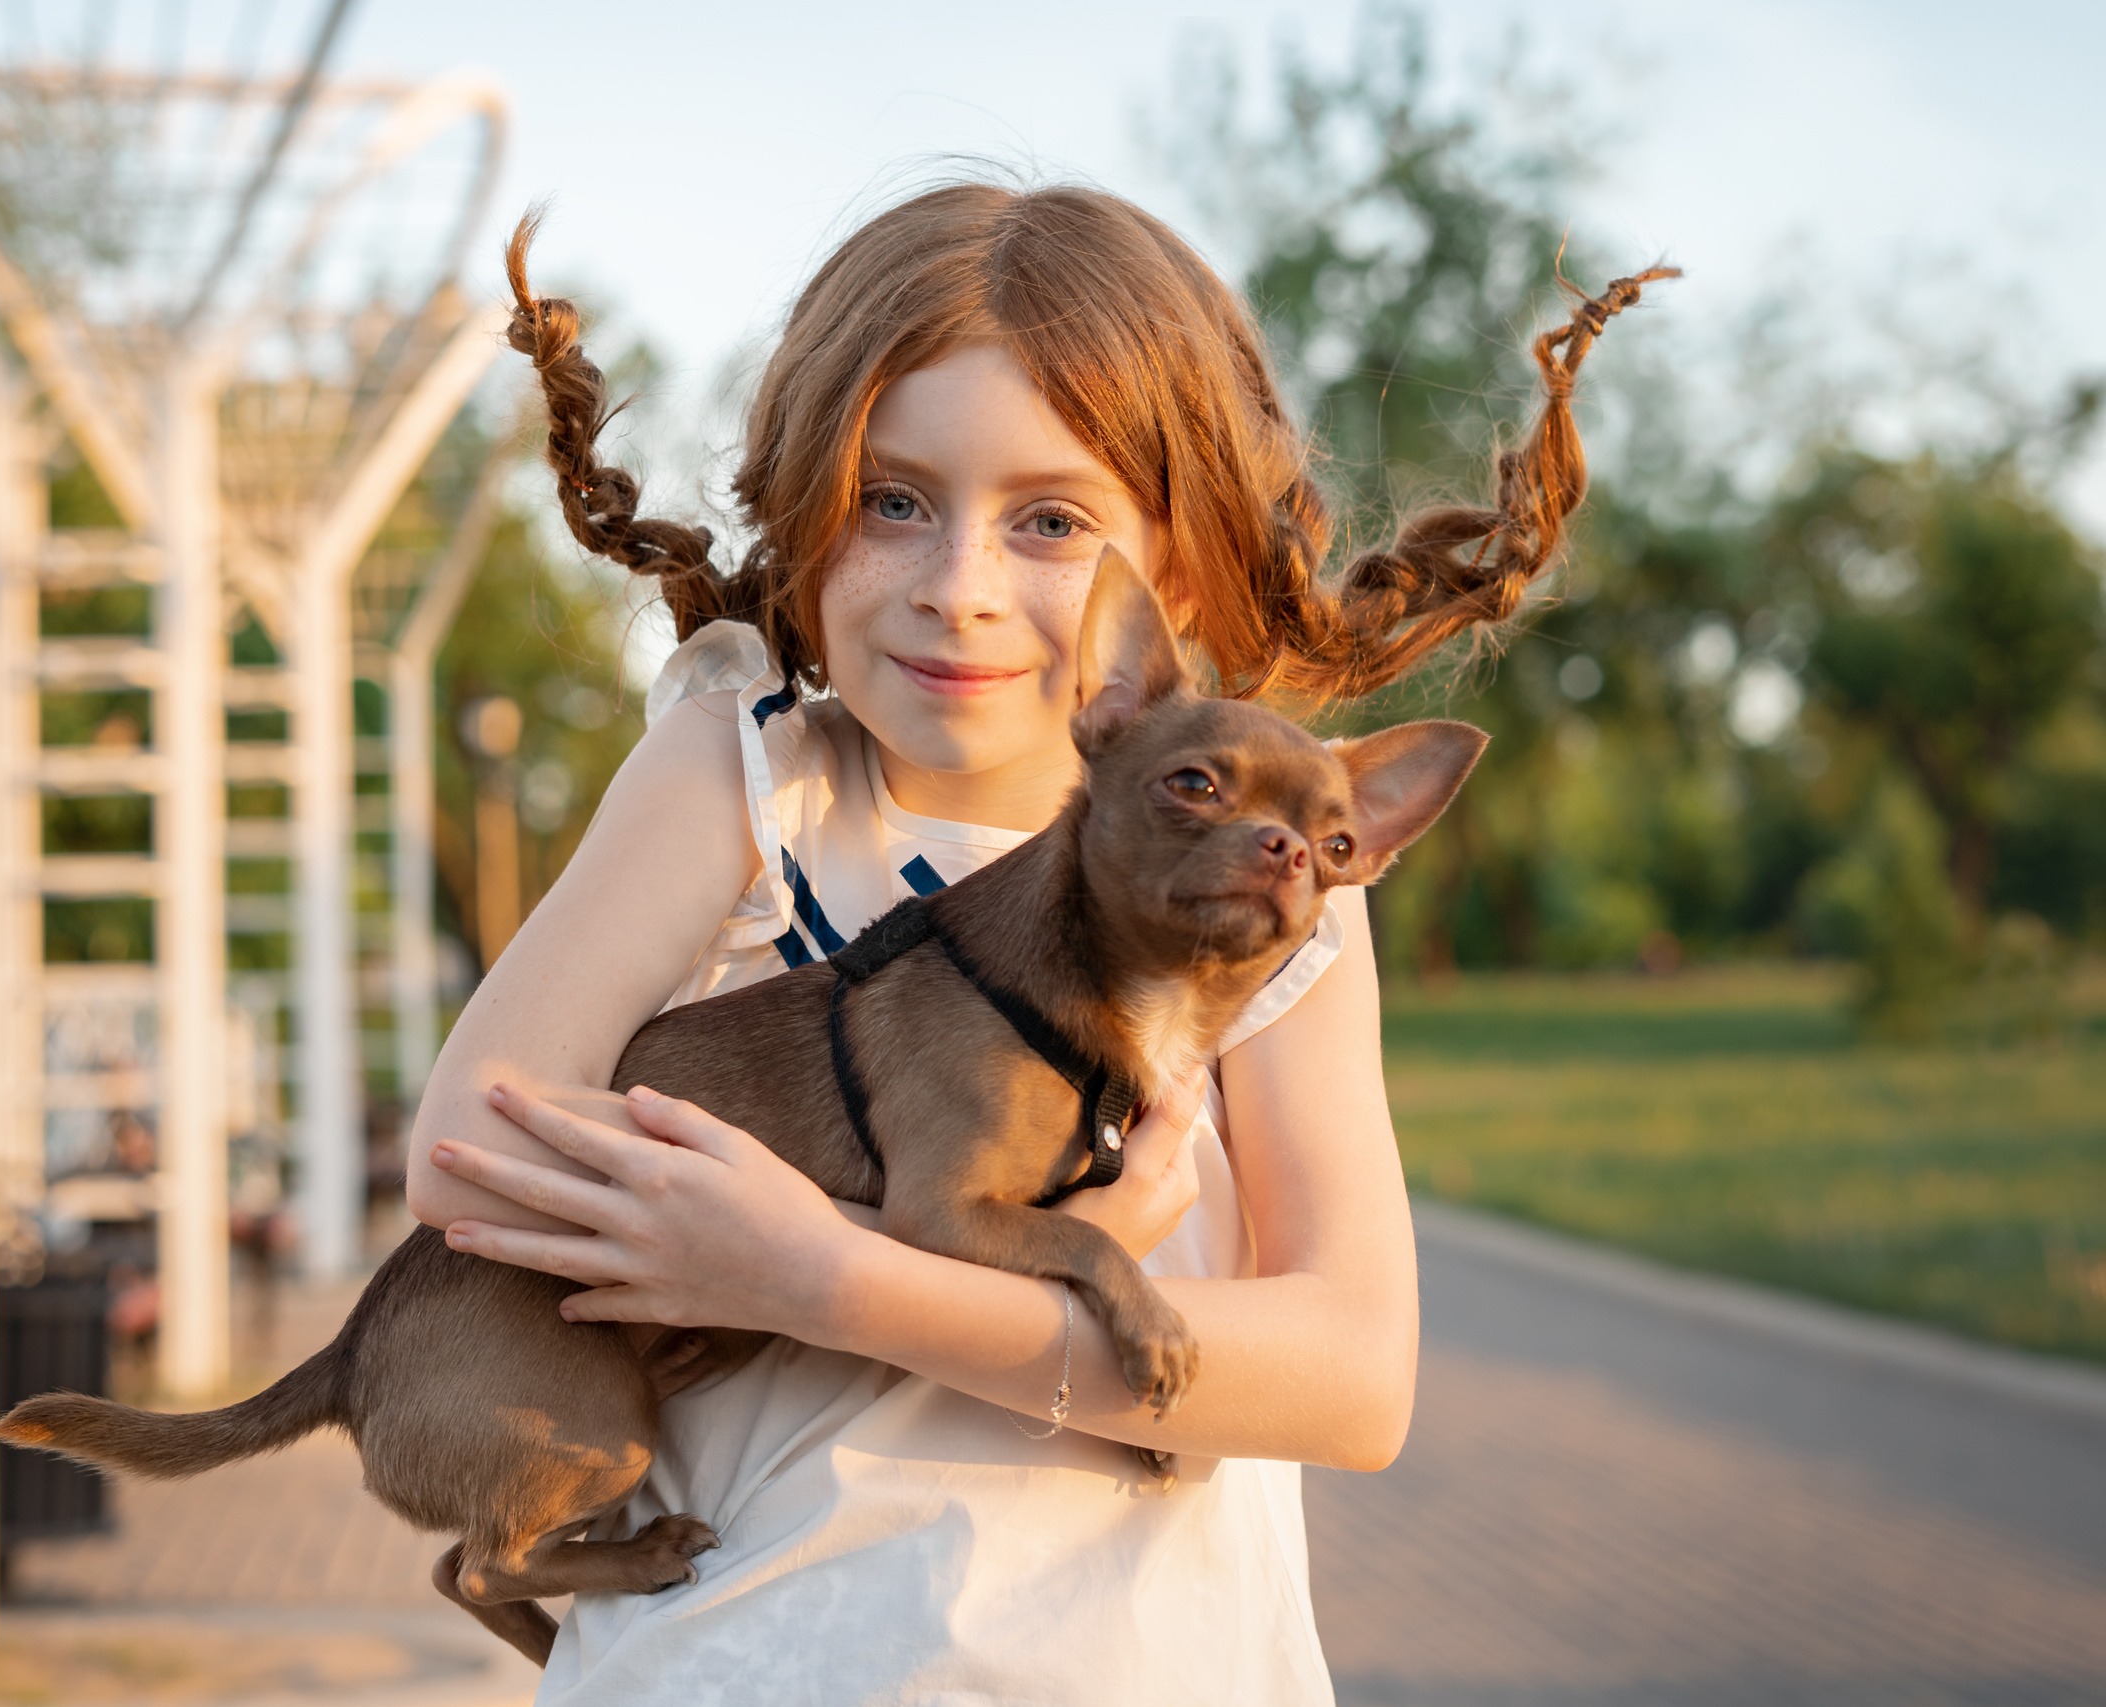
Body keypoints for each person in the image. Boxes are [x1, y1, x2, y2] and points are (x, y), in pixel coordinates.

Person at [405, 183, 1662, 1703]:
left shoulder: (1273, 911)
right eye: (894, 500)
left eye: (1051, 521)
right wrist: (1033, 1272)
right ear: (805, 508)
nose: (960, 584)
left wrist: (834, 1280)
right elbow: (469, 1161)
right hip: (743, 1664)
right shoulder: (742, 786)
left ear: (1173, 580)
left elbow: (1354, 1379)